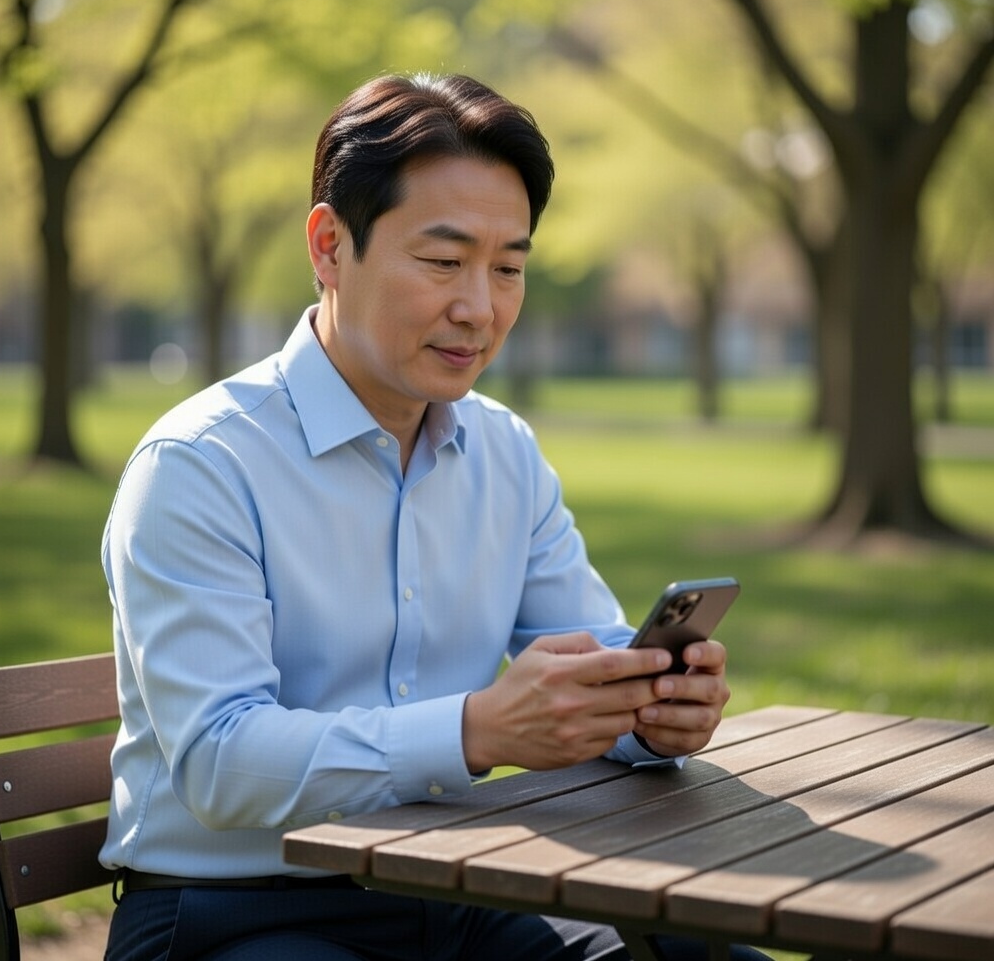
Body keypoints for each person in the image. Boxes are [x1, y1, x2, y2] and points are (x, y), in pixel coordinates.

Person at [100, 73, 766, 961]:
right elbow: (221, 763)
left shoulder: (504, 453)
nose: (480, 310)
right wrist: (476, 730)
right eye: (444, 262)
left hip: (461, 894)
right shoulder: (200, 465)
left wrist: (651, 711)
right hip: (235, 912)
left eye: (510, 269)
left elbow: (592, 649)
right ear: (330, 247)